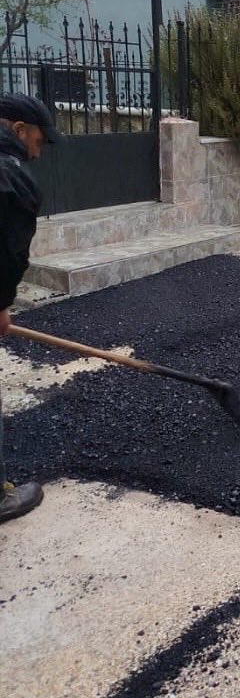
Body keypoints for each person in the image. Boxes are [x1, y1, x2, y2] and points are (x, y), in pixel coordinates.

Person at [0, 93, 61, 524]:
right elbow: (5, 253)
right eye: (38, 140)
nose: (38, 151)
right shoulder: (10, 178)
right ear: (18, 130)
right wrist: (1, 304)